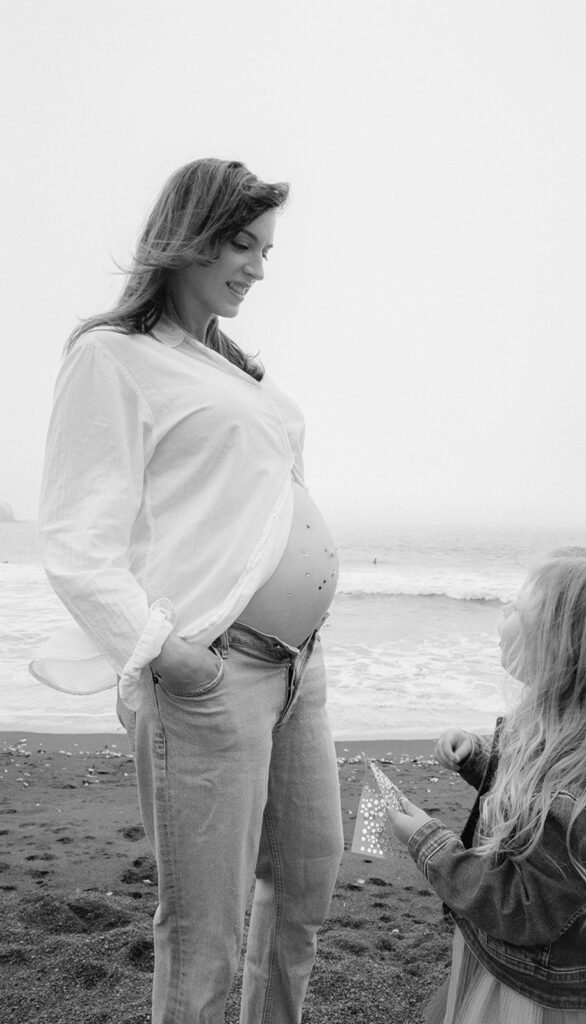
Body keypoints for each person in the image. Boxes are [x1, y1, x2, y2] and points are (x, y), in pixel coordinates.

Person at [31, 158, 345, 1024]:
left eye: (266, 250)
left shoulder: (235, 366)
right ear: (188, 238)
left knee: (306, 892)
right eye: (241, 244)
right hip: (216, 673)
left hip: (297, 668)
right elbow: (75, 540)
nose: (257, 267)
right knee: (205, 932)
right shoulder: (113, 357)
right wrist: (166, 654)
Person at [387, 548, 586, 1023]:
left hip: (545, 994)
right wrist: (479, 759)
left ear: (562, 653)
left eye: (519, 610)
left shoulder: (577, 786)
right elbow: (526, 804)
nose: (504, 613)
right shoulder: (566, 731)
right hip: (532, 970)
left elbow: (527, 906)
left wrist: (429, 844)